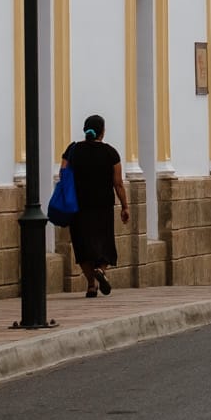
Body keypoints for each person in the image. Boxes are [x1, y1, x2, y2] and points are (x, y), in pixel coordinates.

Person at [59, 114, 129, 296]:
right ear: (102, 132)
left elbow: (63, 173)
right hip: (102, 205)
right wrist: (125, 206)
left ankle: (91, 284)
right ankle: (101, 270)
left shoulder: (73, 150)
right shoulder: (110, 153)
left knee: (82, 245)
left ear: (85, 130)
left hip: (78, 205)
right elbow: (118, 183)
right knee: (104, 242)